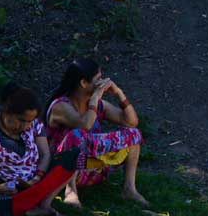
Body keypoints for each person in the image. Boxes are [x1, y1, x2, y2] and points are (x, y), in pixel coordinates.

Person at [45, 58, 148, 206]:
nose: (103, 82)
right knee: (76, 135)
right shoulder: (61, 106)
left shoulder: (99, 105)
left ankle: (129, 189)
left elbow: (131, 122)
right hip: (59, 170)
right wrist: (94, 99)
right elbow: (84, 125)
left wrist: (119, 93)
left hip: (92, 170)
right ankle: (70, 190)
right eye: (98, 79)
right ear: (83, 83)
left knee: (133, 134)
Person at [0, 82, 65, 216]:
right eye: (21, 120)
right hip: (5, 186)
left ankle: (43, 204)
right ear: (6, 111)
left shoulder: (34, 125)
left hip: (35, 182)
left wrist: (37, 178)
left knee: (71, 157)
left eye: (30, 121)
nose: (26, 126)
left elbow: (45, 154)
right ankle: (23, 206)